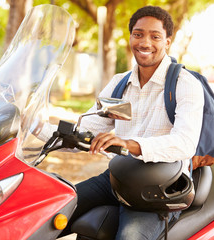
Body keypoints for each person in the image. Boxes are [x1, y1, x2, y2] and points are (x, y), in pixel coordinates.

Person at [61, 5, 204, 240]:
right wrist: (31, 127)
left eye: (155, 36)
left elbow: (185, 143)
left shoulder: (185, 84)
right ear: (131, 37)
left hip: (160, 186)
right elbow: (89, 129)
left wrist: (129, 144)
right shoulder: (120, 83)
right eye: (138, 34)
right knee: (50, 210)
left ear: (168, 41)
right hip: (118, 177)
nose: (145, 43)